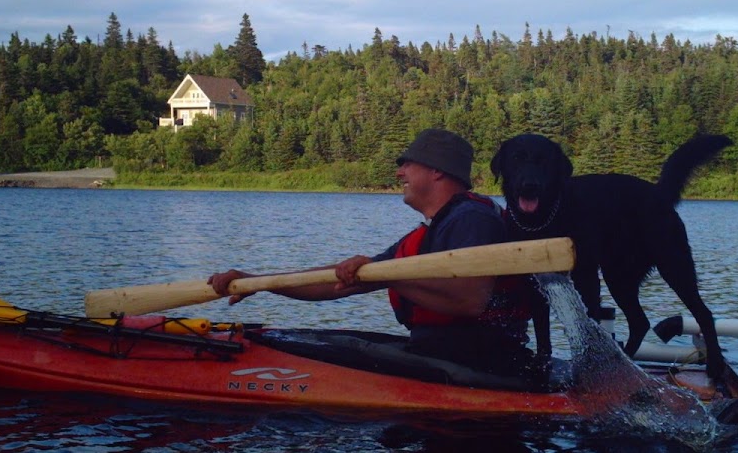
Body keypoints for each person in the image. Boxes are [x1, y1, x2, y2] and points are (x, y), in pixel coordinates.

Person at [208, 128, 540, 378]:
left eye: (407, 164)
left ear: (437, 170)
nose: (399, 173)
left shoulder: (473, 219)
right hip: (442, 354)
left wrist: (388, 275)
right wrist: (259, 282)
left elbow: (470, 302)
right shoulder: (433, 230)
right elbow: (335, 284)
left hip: (480, 365)